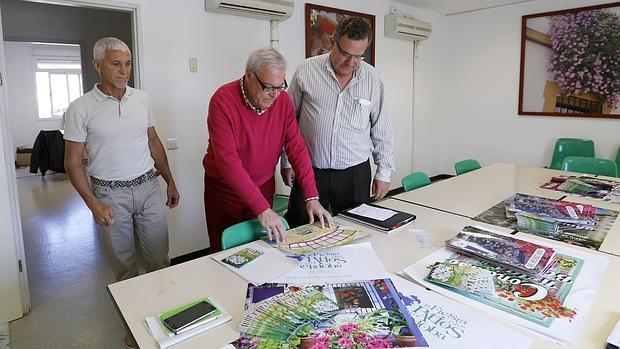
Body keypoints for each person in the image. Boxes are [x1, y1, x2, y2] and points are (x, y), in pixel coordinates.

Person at [64, 37, 179, 283]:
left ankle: (163, 310)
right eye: (116, 64)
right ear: (97, 65)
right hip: (109, 194)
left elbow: (153, 141)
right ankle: (135, 316)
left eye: (128, 64)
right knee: (124, 269)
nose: (124, 71)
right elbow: (72, 163)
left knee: (160, 260)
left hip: (148, 187)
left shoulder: (142, 99)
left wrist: (170, 180)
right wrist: (93, 204)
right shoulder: (80, 108)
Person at [203, 47, 332, 253]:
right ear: (249, 75)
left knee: (262, 249)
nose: (275, 95)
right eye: (268, 87)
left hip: (263, 184)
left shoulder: (282, 101)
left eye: (280, 86)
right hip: (225, 190)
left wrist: (311, 197)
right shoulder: (222, 101)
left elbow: (296, 148)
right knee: (225, 252)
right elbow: (228, 162)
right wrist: (262, 208)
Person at [281, 17, 395, 228]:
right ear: (332, 42)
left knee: (357, 231)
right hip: (309, 171)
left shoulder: (372, 79)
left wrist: (384, 172)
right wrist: (287, 161)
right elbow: (288, 121)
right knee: (300, 230)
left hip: (355, 173)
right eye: (345, 54)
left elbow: (381, 129)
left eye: (359, 56)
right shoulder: (306, 70)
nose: (351, 63)